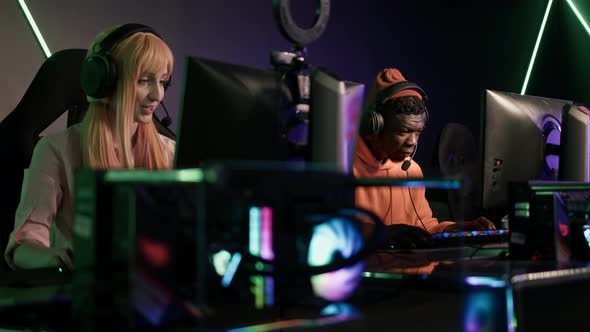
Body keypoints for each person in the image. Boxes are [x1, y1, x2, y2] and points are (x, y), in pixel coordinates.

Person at [4, 23, 176, 270]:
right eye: (144, 81)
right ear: (105, 80)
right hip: (83, 295)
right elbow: (23, 247)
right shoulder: (56, 150)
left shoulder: (170, 152)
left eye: (162, 82)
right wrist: (57, 257)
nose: (157, 95)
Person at [354, 68, 494, 249]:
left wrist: (461, 229)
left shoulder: (411, 171)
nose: (412, 142)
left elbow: (425, 227)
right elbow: (329, 229)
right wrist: (383, 233)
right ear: (375, 126)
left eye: (418, 132)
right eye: (403, 132)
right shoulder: (344, 167)